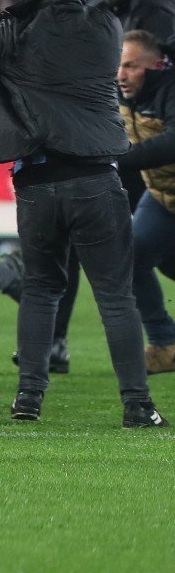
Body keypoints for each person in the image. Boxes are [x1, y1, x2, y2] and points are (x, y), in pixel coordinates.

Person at [0, 0, 165, 427]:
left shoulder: (15, 30)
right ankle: (138, 406)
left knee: (40, 289)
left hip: (37, 182)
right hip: (97, 178)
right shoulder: (106, 26)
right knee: (116, 298)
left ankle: (28, 400)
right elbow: (50, 73)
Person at [116, 29, 175, 373]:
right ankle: (165, 343)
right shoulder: (120, 91)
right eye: (118, 65)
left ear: (154, 66)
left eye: (131, 66)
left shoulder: (170, 88)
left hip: (161, 196)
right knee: (130, 256)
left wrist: (117, 159)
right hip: (162, 197)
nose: (121, 75)